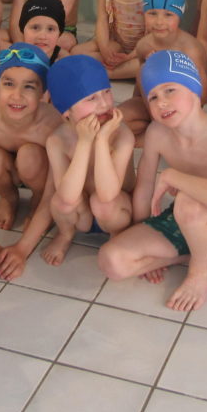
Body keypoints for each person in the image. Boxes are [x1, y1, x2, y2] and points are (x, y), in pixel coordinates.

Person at [97, 51, 207, 312]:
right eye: (153, 97)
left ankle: (202, 270)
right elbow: (145, 190)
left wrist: (171, 176)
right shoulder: (157, 133)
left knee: (188, 201)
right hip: (181, 219)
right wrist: (141, 235)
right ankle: (188, 254)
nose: (162, 103)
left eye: (170, 90)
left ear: (194, 89)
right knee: (111, 261)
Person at [0, 45, 63, 280]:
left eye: (29, 86)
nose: (17, 95)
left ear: (42, 92)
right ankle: (9, 197)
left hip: (36, 170)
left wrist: (22, 248)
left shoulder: (52, 124)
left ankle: (34, 202)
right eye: (8, 84)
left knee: (30, 156)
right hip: (5, 167)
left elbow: (53, 189)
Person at [43, 55, 136, 265]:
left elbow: (108, 194)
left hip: (115, 211)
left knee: (102, 203)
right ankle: (65, 234)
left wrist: (102, 140)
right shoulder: (57, 140)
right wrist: (85, 143)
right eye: (91, 98)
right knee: (59, 202)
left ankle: (117, 236)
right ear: (66, 110)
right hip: (81, 213)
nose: (103, 104)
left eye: (106, 92)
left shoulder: (122, 135)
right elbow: (67, 197)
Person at [119, 0, 207, 134]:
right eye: (152, 13)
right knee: (115, 122)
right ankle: (153, 131)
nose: (159, 22)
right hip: (152, 106)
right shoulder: (144, 45)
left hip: (182, 111)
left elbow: (203, 97)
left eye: (168, 15)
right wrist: (145, 107)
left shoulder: (190, 50)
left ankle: (156, 134)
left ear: (179, 15)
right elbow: (140, 87)